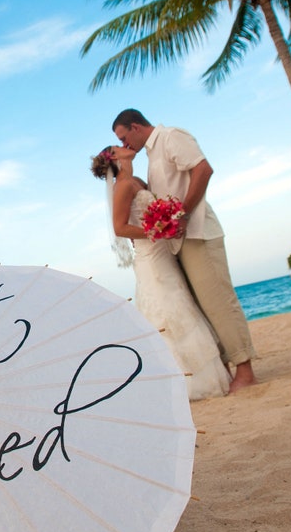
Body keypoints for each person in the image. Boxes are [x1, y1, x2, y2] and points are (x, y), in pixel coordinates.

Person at [111, 109, 257, 393]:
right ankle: (225, 367)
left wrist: (183, 214)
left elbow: (203, 170)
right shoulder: (151, 158)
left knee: (218, 301)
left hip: (199, 232)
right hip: (177, 241)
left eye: (124, 137)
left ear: (136, 126)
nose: (124, 144)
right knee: (202, 307)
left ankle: (246, 371)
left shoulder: (170, 137)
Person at [90, 145, 229, 401]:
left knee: (181, 301)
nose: (124, 146)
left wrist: (167, 220)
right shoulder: (121, 186)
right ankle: (184, 384)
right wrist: (157, 232)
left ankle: (202, 374)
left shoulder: (137, 181)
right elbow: (120, 228)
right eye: (118, 147)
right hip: (150, 257)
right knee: (167, 308)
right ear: (115, 159)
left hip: (164, 252)